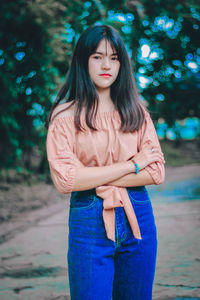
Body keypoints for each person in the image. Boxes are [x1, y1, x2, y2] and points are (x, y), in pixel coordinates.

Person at [46, 24, 165, 300]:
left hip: (139, 215)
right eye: (97, 56)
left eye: (114, 57)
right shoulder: (65, 117)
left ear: (122, 63)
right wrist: (133, 165)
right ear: (83, 60)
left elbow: (157, 171)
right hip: (89, 218)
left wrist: (90, 175)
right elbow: (66, 180)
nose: (106, 65)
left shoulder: (136, 112)